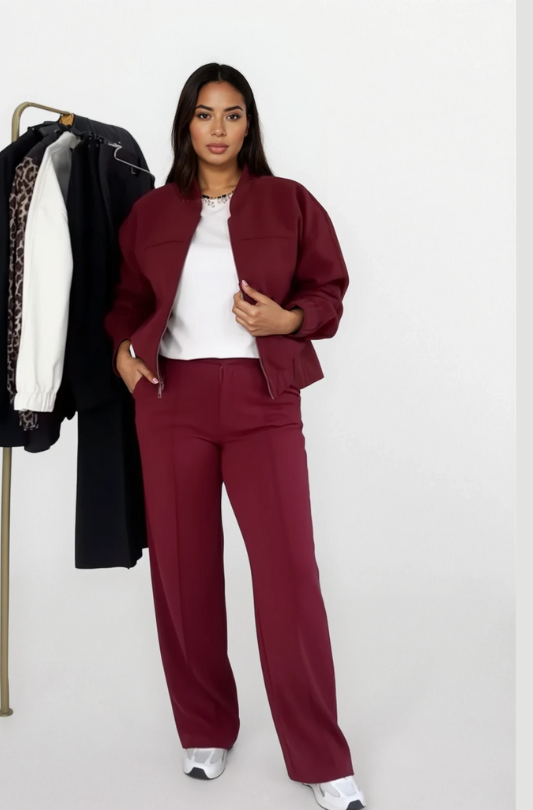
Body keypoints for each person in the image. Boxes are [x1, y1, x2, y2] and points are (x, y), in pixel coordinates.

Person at [103, 63, 367, 810]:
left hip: (263, 402)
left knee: (289, 578)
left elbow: (328, 290)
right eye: (204, 114)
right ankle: (205, 727)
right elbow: (125, 300)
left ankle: (320, 757)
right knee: (184, 575)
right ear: (186, 124)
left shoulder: (289, 202)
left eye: (232, 114)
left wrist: (289, 320)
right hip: (171, 402)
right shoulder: (152, 212)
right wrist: (124, 356)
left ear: (250, 124)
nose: (218, 129)